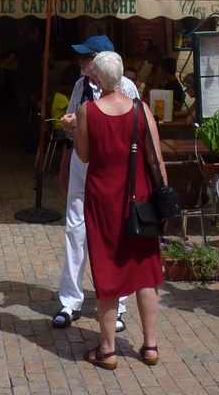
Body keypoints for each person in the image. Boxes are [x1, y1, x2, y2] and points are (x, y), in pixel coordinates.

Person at [75, 50, 165, 370]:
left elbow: (84, 156)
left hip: (103, 199)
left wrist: (73, 129)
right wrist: (163, 200)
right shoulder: (141, 110)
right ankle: (150, 346)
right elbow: (155, 159)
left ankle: (108, 349)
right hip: (139, 200)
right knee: (145, 270)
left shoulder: (88, 111)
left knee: (107, 269)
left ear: (96, 78)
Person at [53, 36, 139, 334]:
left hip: (112, 166)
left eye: (86, 58)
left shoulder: (126, 88)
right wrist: (65, 166)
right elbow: (72, 128)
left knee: (115, 231)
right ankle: (70, 300)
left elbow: (133, 133)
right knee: (75, 227)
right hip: (82, 161)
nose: (81, 63)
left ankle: (119, 305)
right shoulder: (80, 87)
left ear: (102, 60)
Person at [13, 23, 43, 152]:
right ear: (34, 31)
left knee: (24, 113)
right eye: (37, 31)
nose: (39, 33)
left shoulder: (19, 44)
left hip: (21, 81)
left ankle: (25, 142)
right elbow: (44, 59)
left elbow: (9, 61)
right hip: (35, 83)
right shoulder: (38, 45)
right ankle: (35, 143)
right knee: (36, 113)